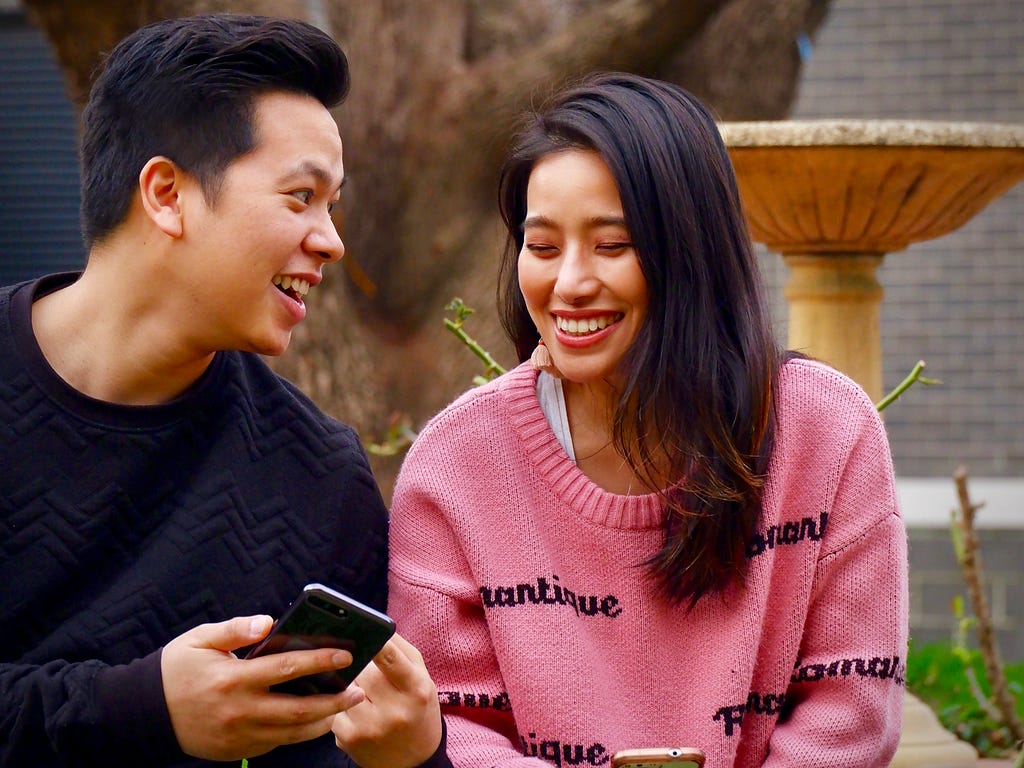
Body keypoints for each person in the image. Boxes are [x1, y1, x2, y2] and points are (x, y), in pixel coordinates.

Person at [387, 72, 909, 767]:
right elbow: (450, 720)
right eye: (542, 248)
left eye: (612, 245)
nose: (569, 283)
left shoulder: (827, 431)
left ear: (691, 253)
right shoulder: (457, 463)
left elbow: (851, 713)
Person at [0, 14, 445, 768]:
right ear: (167, 194)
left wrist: (414, 755)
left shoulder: (318, 477)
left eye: (331, 206)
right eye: (301, 196)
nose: (332, 240)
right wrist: (142, 709)